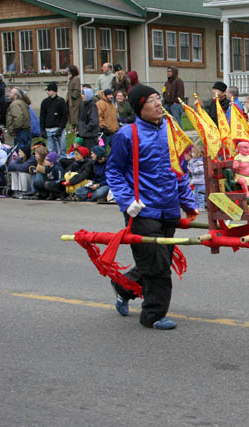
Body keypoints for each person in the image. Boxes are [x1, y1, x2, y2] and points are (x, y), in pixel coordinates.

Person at [107, 84, 198, 330]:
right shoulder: (127, 135)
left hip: (168, 209)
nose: (159, 104)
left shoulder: (171, 131)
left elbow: (179, 171)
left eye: (159, 99)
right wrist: (128, 202)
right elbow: (113, 171)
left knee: (157, 262)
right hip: (142, 211)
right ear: (139, 107)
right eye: (152, 100)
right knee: (157, 267)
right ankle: (153, 315)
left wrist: (188, 203)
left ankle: (123, 287)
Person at [40, 82, 68, 156]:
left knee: (61, 149)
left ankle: (62, 162)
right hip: (48, 129)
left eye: (49, 90)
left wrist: (61, 128)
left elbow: (64, 116)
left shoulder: (61, 101)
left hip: (58, 129)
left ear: (54, 91)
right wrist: (42, 129)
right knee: (51, 150)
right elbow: (42, 116)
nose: (47, 92)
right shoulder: (45, 102)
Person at [185, 145, 206, 210]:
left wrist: (193, 171)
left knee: (200, 194)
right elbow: (190, 167)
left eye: (193, 152)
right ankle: (197, 205)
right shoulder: (192, 161)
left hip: (201, 180)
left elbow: (201, 170)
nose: (191, 154)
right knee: (196, 194)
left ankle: (201, 206)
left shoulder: (200, 161)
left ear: (197, 153)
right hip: (196, 180)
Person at [67, 65, 82, 133]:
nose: (67, 72)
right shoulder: (71, 78)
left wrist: (74, 96)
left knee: (75, 114)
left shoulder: (76, 78)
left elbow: (77, 89)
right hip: (70, 99)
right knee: (71, 113)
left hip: (75, 100)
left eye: (69, 71)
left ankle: (76, 128)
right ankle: (72, 127)